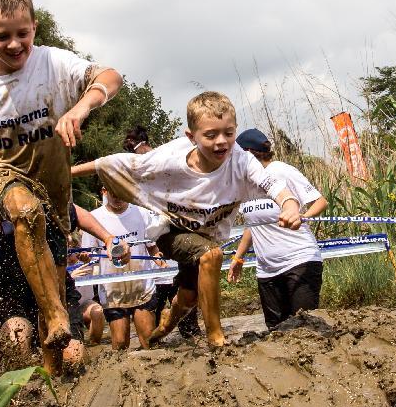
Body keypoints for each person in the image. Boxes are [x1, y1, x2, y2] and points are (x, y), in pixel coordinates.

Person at [0, 0, 123, 372]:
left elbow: (110, 76)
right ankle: (56, 316)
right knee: (24, 212)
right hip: (1, 173)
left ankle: (49, 370)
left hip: (54, 187)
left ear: (34, 28)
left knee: (55, 285)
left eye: (21, 34)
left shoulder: (53, 63)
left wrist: (81, 108)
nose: (13, 45)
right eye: (1, 37)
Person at [72, 91, 303, 347]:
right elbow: (114, 164)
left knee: (190, 295)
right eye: (211, 135)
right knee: (212, 255)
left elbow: (271, 183)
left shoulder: (242, 160)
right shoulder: (169, 159)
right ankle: (215, 335)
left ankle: (167, 323)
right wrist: (66, 173)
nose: (221, 142)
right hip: (169, 230)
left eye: (228, 132)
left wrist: (289, 203)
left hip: (207, 234)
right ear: (191, 137)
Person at [0, 158, 118, 371]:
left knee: (72, 358)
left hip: (55, 296)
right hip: (10, 303)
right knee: (17, 340)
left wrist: (108, 239)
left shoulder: (26, 205)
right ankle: (22, 396)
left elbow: (73, 212)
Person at [227, 129, 328, 328]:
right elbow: (253, 225)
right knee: (275, 333)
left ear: (249, 153)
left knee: (304, 329)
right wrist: (238, 258)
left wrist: (303, 216)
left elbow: (320, 201)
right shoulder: (245, 183)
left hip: (299, 261)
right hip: (267, 270)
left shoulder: (281, 171)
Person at [123, 125, 203, 339]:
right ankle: (165, 337)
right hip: (155, 257)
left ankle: (186, 333)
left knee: (185, 293)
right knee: (161, 306)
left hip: (171, 242)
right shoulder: (145, 169)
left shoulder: (160, 160)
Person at [81, 188, 159, 349]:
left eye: (122, 192)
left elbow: (153, 247)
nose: (118, 198)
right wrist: (86, 258)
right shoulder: (93, 218)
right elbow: (90, 256)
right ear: (104, 191)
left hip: (142, 286)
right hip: (112, 292)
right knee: (120, 343)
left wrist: (161, 261)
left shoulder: (142, 213)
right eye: (114, 193)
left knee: (149, 341)